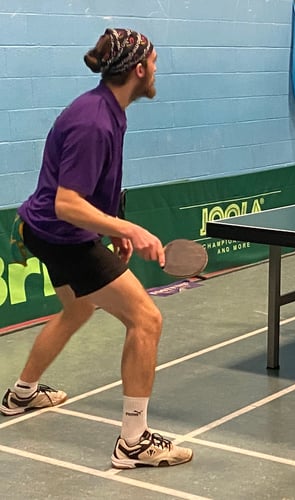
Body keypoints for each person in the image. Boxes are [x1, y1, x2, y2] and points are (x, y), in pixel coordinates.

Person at [1, 29, 194, 468]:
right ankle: (133, 441)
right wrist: (129, 227)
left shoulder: (107, 109)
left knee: (77, 309)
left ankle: (21, 394)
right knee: (147, 319)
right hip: (62, 234)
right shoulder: (95, 120)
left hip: (46, 230)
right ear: (139, 69)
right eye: (155, 61)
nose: (157, 69)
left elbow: (83, 194)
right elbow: (67, 202)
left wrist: (111, 231)